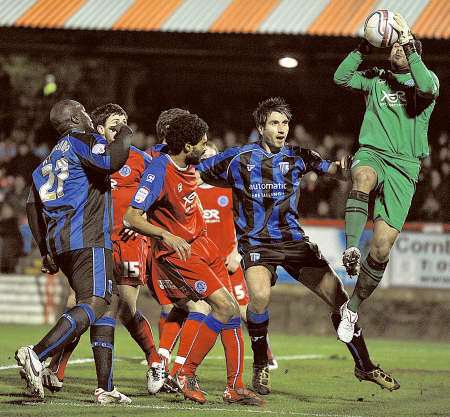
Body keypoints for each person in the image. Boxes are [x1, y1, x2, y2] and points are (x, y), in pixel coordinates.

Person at [197, 97, 400, 395]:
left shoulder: (299, 156)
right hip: (257, 244)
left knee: (340, 300)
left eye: (285, 123)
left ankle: (365, 366)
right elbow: (195, 171)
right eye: (275, 123)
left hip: (293, 242)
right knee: (260, 297)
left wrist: (366, 163)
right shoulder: (237, 158)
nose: (281, 129)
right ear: (260, 127)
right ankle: (261, 364)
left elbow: (335, 169)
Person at [124, 113, 262, 405]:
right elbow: (132, 217)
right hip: (179, 253)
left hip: (203, 244)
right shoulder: (159, 171)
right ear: (187, 146)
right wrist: (165, 235)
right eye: (202, 143)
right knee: (221, 307)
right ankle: (183, 373)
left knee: (234, 310)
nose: (206, 147)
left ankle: (234, 386)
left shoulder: (190, 164)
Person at [333, 13, 439, 343]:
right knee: (361, 175)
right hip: (373, 153)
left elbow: (423, 85)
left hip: (405, 169)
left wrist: (409, 44)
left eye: (402, 48)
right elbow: (340, 78)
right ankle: (350, 250)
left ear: (412, 53)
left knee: (380, 249)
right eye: (391, 46)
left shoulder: (427, 82)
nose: (395, 50)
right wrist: (364, 46)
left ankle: (352, 308)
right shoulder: (375, 78)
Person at [40, 104, 160, 393]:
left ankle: (155, 362)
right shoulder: (88, 153)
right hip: (93, 239)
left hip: (127, 242)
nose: (120, 129)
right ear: (100, 127)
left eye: (124, 123)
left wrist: (142, 217)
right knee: (81, 304)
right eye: (114, 124)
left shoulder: (139, 159)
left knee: (126, 309)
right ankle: (58, 368)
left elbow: (160, 190)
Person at [19, 99, 132, 404]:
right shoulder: (82, 141)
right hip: (88, 236)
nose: (87, 114)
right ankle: (37, 354)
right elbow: (113, 159)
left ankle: (105, 387)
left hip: (62, 241)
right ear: (74, 118)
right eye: (82, 111)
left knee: (107, 304)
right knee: (95, 302)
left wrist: (44, 249)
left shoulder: (46, 161)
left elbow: (32, 206)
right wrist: (123, 130)